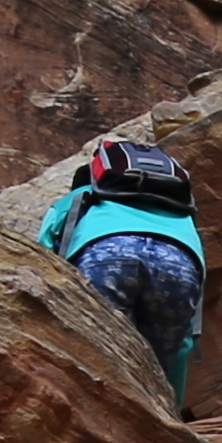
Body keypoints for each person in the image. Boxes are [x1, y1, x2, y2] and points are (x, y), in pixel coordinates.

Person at [36, 137, 205, 392]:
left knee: (101, 361)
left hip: (107, 258)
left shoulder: (82, 197)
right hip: (178, 265)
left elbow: (41, 254)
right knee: (155, 373)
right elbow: (182, 346)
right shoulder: (182, 213)